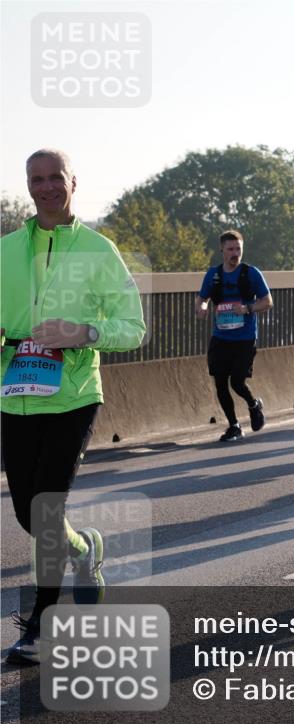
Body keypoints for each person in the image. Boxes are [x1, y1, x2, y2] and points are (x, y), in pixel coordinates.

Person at [2, 149, 146, 663]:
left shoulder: (98, 250)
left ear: (72, 182)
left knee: (45, 508)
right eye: (35, 179)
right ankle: (86, 550)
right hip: (16, 396)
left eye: (54, 178)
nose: (45, 187)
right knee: (26, 512)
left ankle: (40, 627)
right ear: (28, 185)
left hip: (75, 394)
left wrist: (81, 331)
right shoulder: (7, 250)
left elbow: (134, 328)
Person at [196, 230, 273, 442]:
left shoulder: (251, 273)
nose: (235, 253)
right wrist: (202, 308)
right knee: (220, 383)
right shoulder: (214, 275)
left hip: (245, 338)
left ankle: (253, 404)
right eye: (230, 249)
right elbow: (202, 298)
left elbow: (267, 302)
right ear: (222, 249)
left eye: (238, 249)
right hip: (221, 338)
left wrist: (248, 308)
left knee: (237, 382)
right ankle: (234, 426)